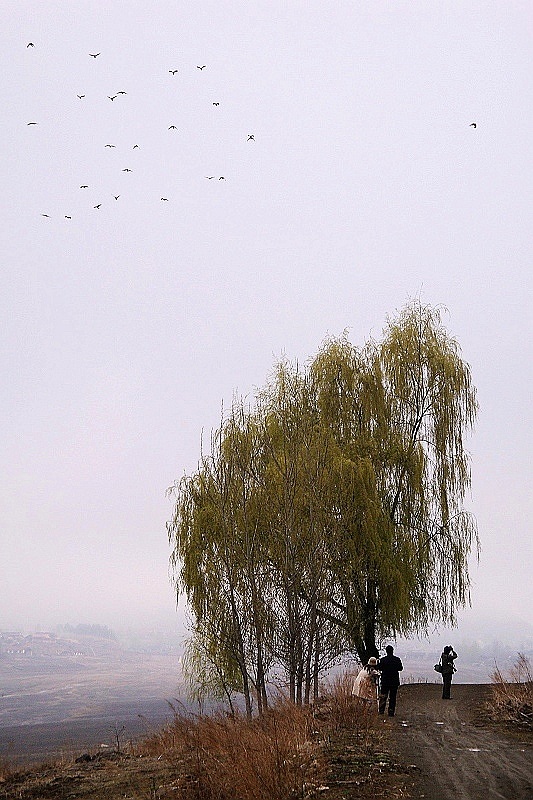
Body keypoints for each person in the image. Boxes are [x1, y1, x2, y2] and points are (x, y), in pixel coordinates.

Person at [377, 645, 403, 717]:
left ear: (386, 651)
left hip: (385, 681)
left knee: (383, 696)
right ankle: (391, 711)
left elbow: (379, 668)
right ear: (392, 651)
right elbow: (400, 668)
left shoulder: (383, 660)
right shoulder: (397, 659)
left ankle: (381, 710)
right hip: (394, 681)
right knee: (393, 697)